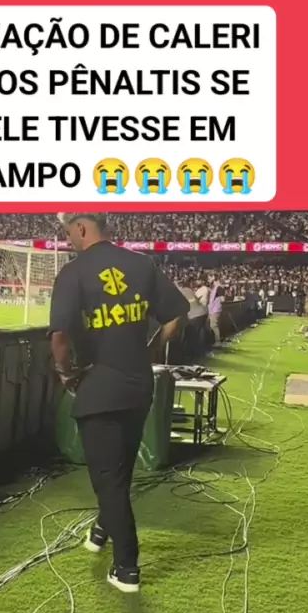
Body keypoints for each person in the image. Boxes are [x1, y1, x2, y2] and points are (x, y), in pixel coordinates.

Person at [49, 212, 189, 593]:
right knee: (119, 470)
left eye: (68, 231)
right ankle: (101, 529)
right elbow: (178, 313)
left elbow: (59, 336)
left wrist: (64, 373)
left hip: (99, 389)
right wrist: (152, 349)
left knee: (108, 479)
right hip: (139, 386)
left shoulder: (73, 273)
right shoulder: (141, 264)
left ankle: (126, 567)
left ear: (81, 227)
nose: (69, 238)